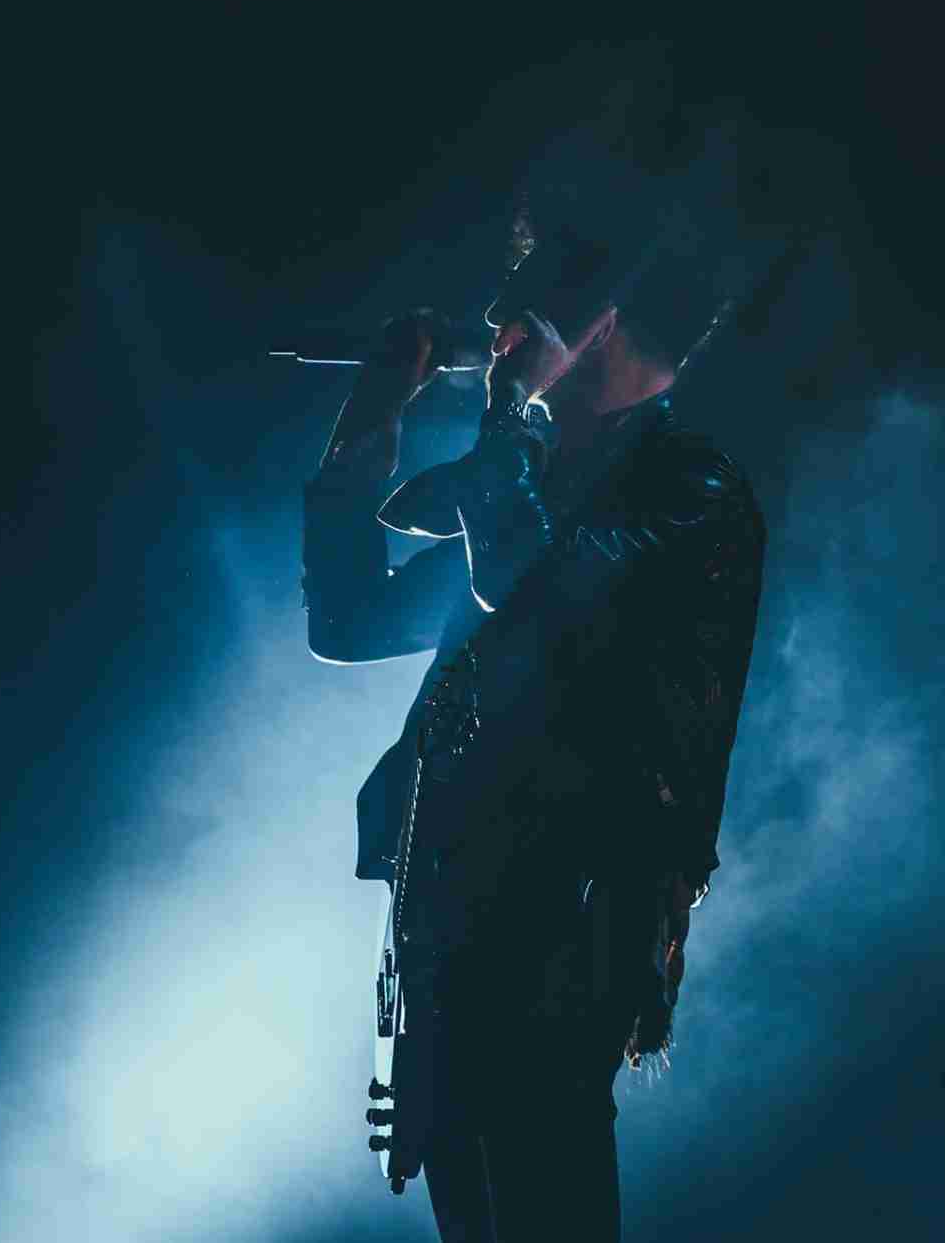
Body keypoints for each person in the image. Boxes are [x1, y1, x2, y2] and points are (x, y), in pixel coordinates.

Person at [302, 213, 766, 1242]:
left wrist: (503, 436)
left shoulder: (690, 495)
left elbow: (537, 591)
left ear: (596, 331)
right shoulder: (538, 489)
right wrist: (374, 412)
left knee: (542, 1192)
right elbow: (345, 614)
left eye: (524, 317)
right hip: (452, 921)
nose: (495, 336)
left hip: (568, 920)